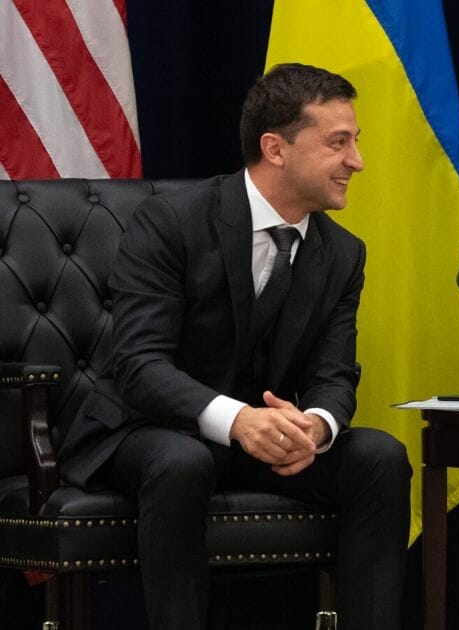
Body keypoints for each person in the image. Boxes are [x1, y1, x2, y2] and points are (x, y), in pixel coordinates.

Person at [57, 63, 411, 629]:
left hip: (256, 439)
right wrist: (236, 419)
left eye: (356, 142)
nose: (357, 161)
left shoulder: (343, 253)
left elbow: (334, 374)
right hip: (143, 427)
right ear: (275, 148)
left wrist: (315, 427)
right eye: (338, 143)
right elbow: (138, 363)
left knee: (378, 458)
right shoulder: (172, 221)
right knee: (182, 461)